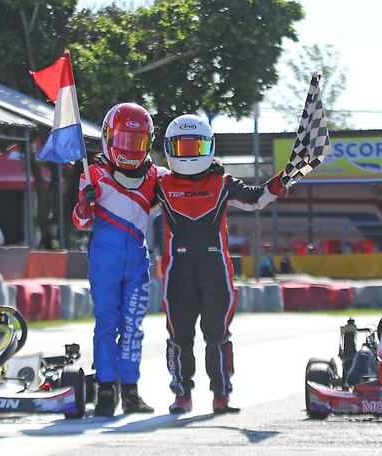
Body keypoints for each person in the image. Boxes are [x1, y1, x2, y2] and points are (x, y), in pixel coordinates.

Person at [155, 114, 291, 414]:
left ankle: (221, 394)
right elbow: (133, 207)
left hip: (215, 271)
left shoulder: (223, 182)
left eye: (195, 147)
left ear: (209, 147)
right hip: (177, 272)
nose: (189, 155)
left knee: (217, 334)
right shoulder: (160, 185)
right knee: (179, 336)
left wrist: (278, 183)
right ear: (169, 148)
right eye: (182, 148)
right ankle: (182, 395)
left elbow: (256, 198)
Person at [73, 103, 167, 417]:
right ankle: (105, 389)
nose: (129, 148)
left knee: (133, 327)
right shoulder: (93, 174)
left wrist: (214, 169)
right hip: (105, 261)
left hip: (138, 261)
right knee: (106, 324)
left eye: (136, 141)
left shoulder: (155, 176)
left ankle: (130, 391)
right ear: (108, 137)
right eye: (124, 140)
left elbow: (187, 183)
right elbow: (80, 221)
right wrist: (85, 204)